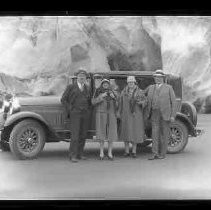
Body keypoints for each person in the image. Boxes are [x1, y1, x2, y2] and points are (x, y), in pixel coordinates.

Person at [61, 68, 92, 163]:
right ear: (77, 77)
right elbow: (63, 99)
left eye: (83, 76)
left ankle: (80, 154)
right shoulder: (71, 87)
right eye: (80, 76)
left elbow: (89, 101)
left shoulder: (87, 88)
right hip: (75, 114)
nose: (82, 77)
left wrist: (88, 110)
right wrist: (70, 109)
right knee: (75, 136)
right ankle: (72, 155)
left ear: (86, 78)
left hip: (85, 114)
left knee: (83, 135)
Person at [144, 69, 176, 160]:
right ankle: (154, 154)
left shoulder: (169, 87)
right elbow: (141, 94)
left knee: (164, 134)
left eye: (159, 77)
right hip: (154, 113)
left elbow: (173, 102)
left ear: (163, 78)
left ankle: (162, 154)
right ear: (154, 78)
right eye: (156, 77)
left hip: (165, 114)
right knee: (154, 134)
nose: (157, 79)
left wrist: (173, 115)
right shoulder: (150, 87)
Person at [119, 76, 147, 158]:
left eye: (132, 82)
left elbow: (145, 101)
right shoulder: (123, 92)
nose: (130, 84)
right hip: (126, 115)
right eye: (129, 82)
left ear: (134, 82)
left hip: (136, 115)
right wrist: (119, 113)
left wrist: (141, 103)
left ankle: (134, 151)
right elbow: (120, 103)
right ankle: (126, 151)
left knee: (135, 133)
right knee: (126, 132)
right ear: (127, 83)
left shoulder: (140, 91)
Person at [92, 78, 119, 160]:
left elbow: (118, 105)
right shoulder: (97, 91)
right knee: (101, 133)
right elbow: (93, 102)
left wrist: (114, 98)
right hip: (101, 114)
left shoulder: (113, 92)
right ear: (102, 84)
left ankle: (110, 153)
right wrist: (101, 96)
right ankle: (101, 152)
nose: (105, 85)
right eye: (104, 83)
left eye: (107, 83)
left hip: (111, 114)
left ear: (109, 84)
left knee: (111, 133)